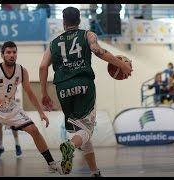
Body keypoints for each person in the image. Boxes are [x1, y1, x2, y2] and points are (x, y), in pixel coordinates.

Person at [39, 7, 133, 177]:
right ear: (79, 20)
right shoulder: (87, 34)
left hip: (62, 89)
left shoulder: (53, 43)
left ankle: (95, 172)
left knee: (80, 133)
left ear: (63, 22)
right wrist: (122, 65)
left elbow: (43, 66)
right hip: (83, 84)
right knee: (87, 131)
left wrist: (44, 94)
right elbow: (98, 51)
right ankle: (69, 146)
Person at [0, 41, 63, 176]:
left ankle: (51, 164)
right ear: (2, 55)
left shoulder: (22, 71)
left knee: (34, 129)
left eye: (14, 52)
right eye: (8, 52)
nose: (11, 55)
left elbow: (29, 92)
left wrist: (41, 112)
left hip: (10, 106)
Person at [0, 58, 23, 159]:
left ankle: (17, 144)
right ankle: (0, 146)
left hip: (7, 102)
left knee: (13, 125)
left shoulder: (0, 73)